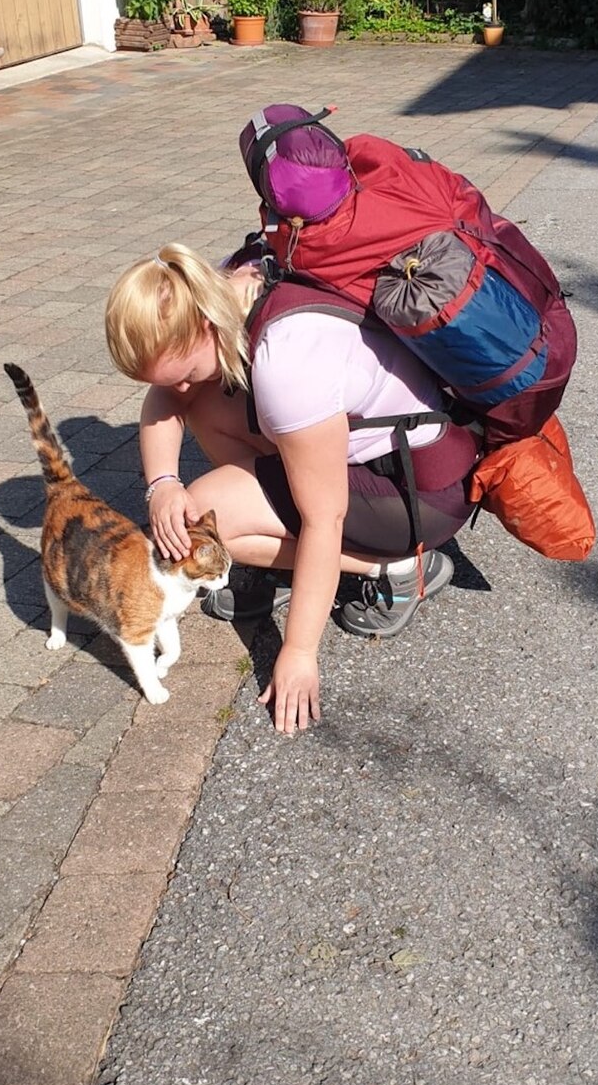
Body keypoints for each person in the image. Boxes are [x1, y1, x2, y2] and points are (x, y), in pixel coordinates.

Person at [104, 243, 482, 735]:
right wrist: (161, 485)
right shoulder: (221, 288)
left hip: (420, 495)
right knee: (201, 413)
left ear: (203, 328)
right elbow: (168, 393)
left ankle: (400, 568)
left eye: (184, 374)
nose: (174, 389)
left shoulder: (287, 366)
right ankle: (275, 532)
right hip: (381, 458)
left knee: (212, 519)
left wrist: (299, 653)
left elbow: (326, 519)